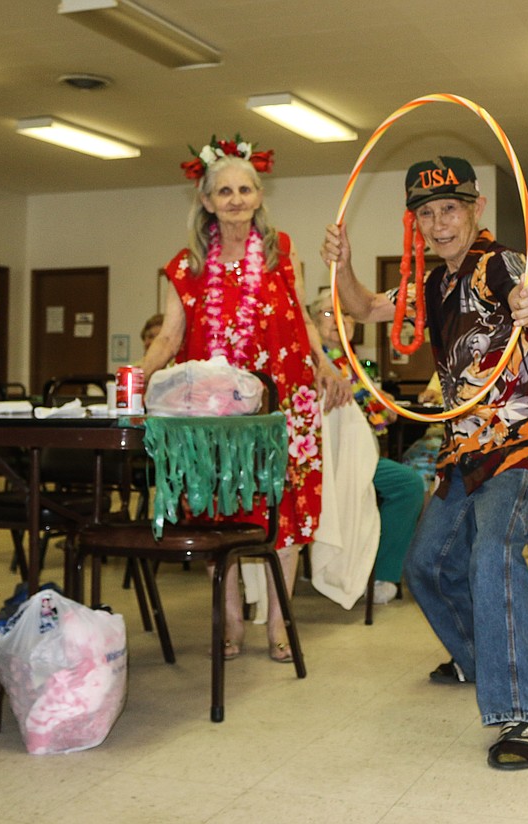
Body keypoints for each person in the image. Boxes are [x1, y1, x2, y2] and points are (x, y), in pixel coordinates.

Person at [322, 155, 528, 770]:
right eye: (426, 213)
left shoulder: (498, 262)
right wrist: (343, 266)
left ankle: (524, 714)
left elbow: (525, 295)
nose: (439, 223)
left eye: (449, 209)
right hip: (465, 451)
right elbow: (363, 308)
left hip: (521, 442)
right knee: (425, 564)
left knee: (493, 555)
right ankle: (480, 659)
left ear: (474, 207)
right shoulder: (432, 285)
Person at [143, 135, 352, 663]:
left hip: (286, 405)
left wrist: (325, 362)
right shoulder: (186, 268)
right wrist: (133, 377)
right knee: (221, 512)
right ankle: (231, 620)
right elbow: (168, 338)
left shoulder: (282, 252)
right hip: (213, 414)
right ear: (207, 201)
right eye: (224, 191)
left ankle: (279, 626)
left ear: (259, 195)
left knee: (286, 517)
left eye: (245, 189)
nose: (235, 199)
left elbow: (303, 319)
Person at [309, 291, 425, 603]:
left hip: (356, 456)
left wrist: (378, 408)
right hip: (320, 462)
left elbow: (379, 417)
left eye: (346, 314)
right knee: (408, 483)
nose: (340, 321)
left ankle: (379, 572)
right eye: (328, 313)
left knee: (410, 483)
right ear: (312, 321)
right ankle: (374, 573)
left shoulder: (352, 362)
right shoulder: (312, 360)